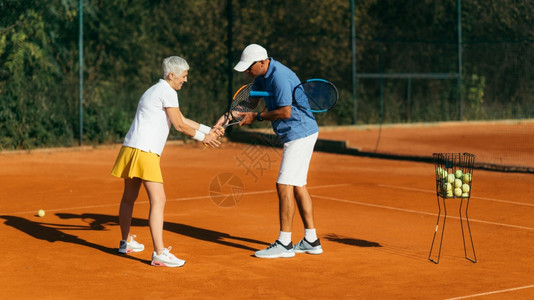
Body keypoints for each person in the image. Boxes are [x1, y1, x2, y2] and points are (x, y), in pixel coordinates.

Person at [111, 56, 222, 267]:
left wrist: (209, 130)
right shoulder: (168, 92)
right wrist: (203, 138)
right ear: (172, 75)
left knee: (129, 198)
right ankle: (159, 253)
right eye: (184, 76)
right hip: (146, 152)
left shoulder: (154, 90)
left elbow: (181, 118)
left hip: (130, 148)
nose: (185, 80)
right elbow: (180, 125)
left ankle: (125, 242)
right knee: (159, 200)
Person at [215, 44, 323, 258]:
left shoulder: (279, 77)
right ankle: (311, 240)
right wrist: (224, 120)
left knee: (284, 184)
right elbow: (250, 102)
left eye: (249, 67)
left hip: (299, 133)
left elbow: (285, 111)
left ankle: (284, 243)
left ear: (263, 62)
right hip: (299, 133)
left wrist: (257, 117)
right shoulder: (261, 77)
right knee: (298, 186)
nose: (247, 71)